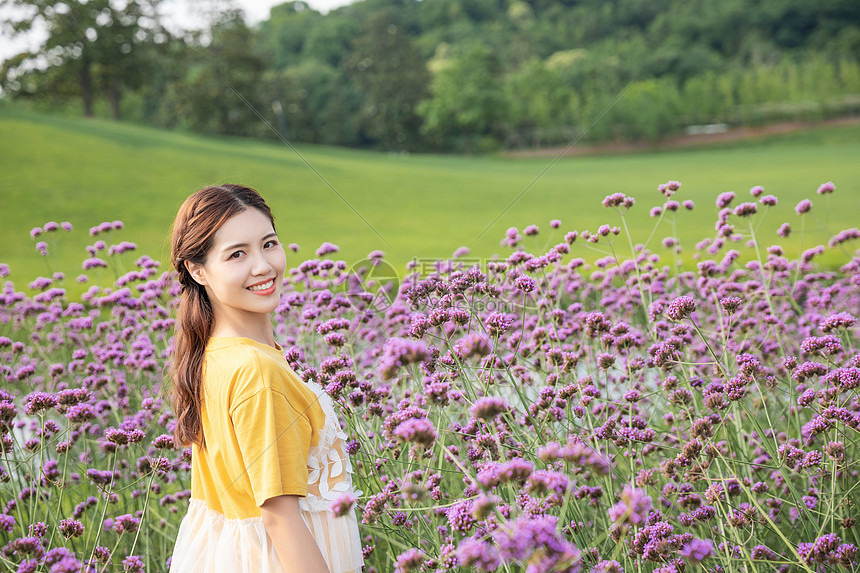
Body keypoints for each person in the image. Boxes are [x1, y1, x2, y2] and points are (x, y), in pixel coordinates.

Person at [167, 184, 364, 573]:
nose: (263, 266)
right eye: (237, 254)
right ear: (197, 269)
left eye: (269, 244)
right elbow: (279, 518)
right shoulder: (256, 371)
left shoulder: (215, 354)